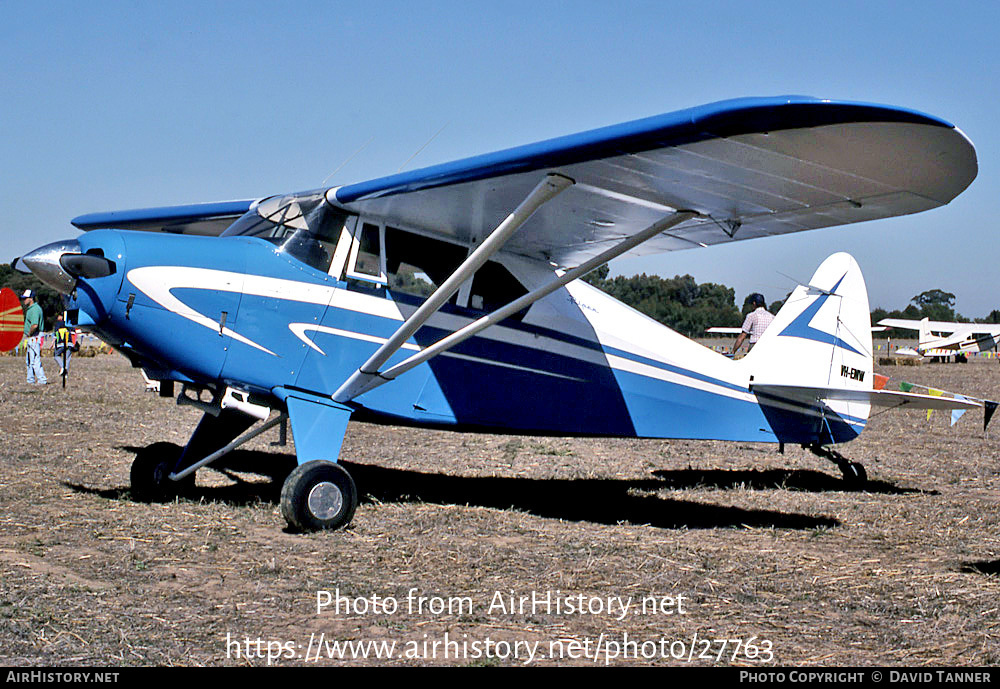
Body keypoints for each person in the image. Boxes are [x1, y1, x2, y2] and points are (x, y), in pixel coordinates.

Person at [20, 289, 47, 385]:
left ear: (31, 298)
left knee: (35, 360)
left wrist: (28, 334)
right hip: (32, 337)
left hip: (34, 336)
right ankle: (30, 380)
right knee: (30, 360)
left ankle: (42, 380)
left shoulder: (35, 309)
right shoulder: (32, 309)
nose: (24, 300)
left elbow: (34, 325)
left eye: (25, 298)